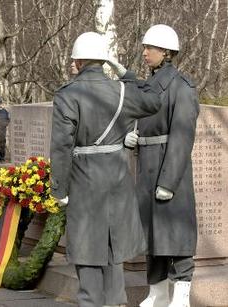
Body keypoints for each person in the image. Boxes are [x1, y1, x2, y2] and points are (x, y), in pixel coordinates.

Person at [50, 32, 162, 307]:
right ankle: (117, 302)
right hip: (117, 178)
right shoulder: (123, 90)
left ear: (77, 61)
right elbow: (154, 99)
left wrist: (59, 189)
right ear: (104, 60)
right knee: (114, 247)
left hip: (85, 179)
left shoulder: (68, 94)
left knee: (88, 248)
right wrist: (126, 73)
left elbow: (62, 146)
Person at [111, 24, 199, 307]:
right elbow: (140, 107)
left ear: (167, 52)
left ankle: (181, 297)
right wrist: (133, 136)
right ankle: (158, 293)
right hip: (147, 167)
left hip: (168, 170)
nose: (145, 52)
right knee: (153, 235)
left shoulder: (181, 87)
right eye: (145, 47)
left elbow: (183, 137)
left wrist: (168, 182)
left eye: (151, 47)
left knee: (177, 234)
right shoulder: (151, 84)